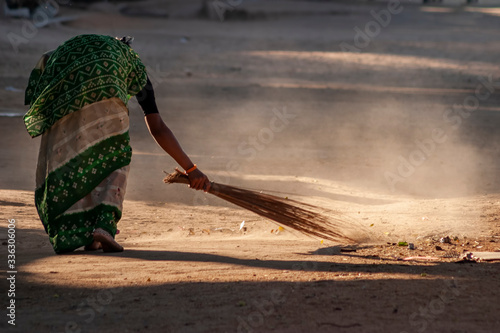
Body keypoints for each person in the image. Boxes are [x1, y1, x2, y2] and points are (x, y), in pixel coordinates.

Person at [24, 34, 210, 254]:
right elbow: (157, 127)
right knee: (114, 157)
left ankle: (72, 232)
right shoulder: (131, 63)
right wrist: (191, 168)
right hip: (94, 94)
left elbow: (43, 64)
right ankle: (103, 226)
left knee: (74, 158)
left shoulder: (72, 48)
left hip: (63, 89)